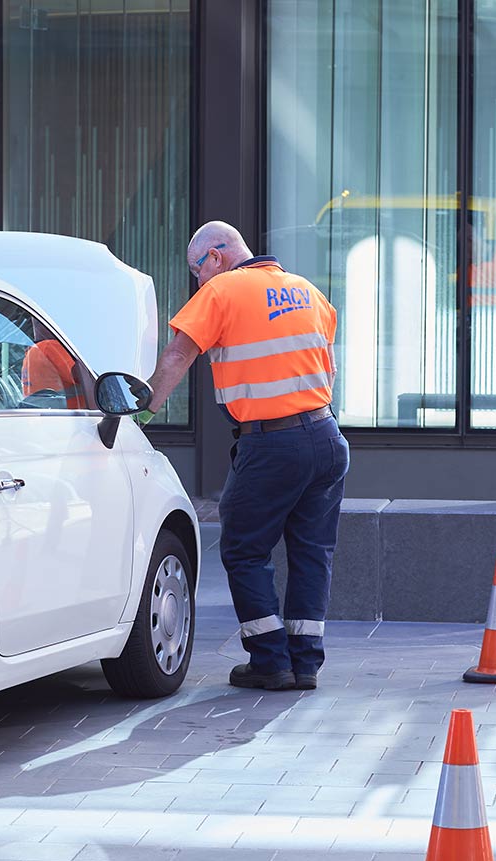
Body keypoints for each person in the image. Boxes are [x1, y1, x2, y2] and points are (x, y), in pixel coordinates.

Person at [143, 221, 348, 691]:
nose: (197, 282)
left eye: (197, 270)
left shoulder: (223, 292)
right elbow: (327, 366)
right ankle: (306, 663)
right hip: (326, 435)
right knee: (312, 553)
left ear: (216, 256)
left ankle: (270, 660)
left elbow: (178, 356)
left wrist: (141, 414)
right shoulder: (308, 291)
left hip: (272, 442)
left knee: (242, 548)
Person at [20, 323, 90, 409]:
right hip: (71, 416)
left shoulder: (31, 353)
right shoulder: (49, 346)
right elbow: (83, 376)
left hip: (49, 415)